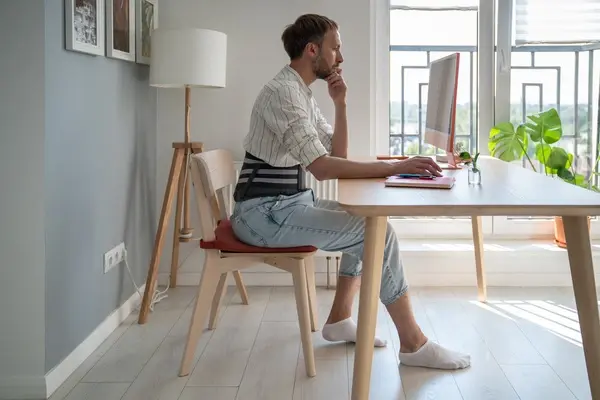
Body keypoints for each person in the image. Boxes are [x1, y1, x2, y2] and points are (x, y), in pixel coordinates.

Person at [230, 13, 470, 370]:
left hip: (285, 205)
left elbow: (336, 154)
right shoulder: (282, 94)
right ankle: (413, 343)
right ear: (313, 50)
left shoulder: (301, 92)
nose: (340, 57)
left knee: (367, 219)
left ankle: (340, 319)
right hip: (262, 216)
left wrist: (340, 104)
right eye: (335, 48)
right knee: (378, 234)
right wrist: (395, 167)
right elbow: (323, 168)